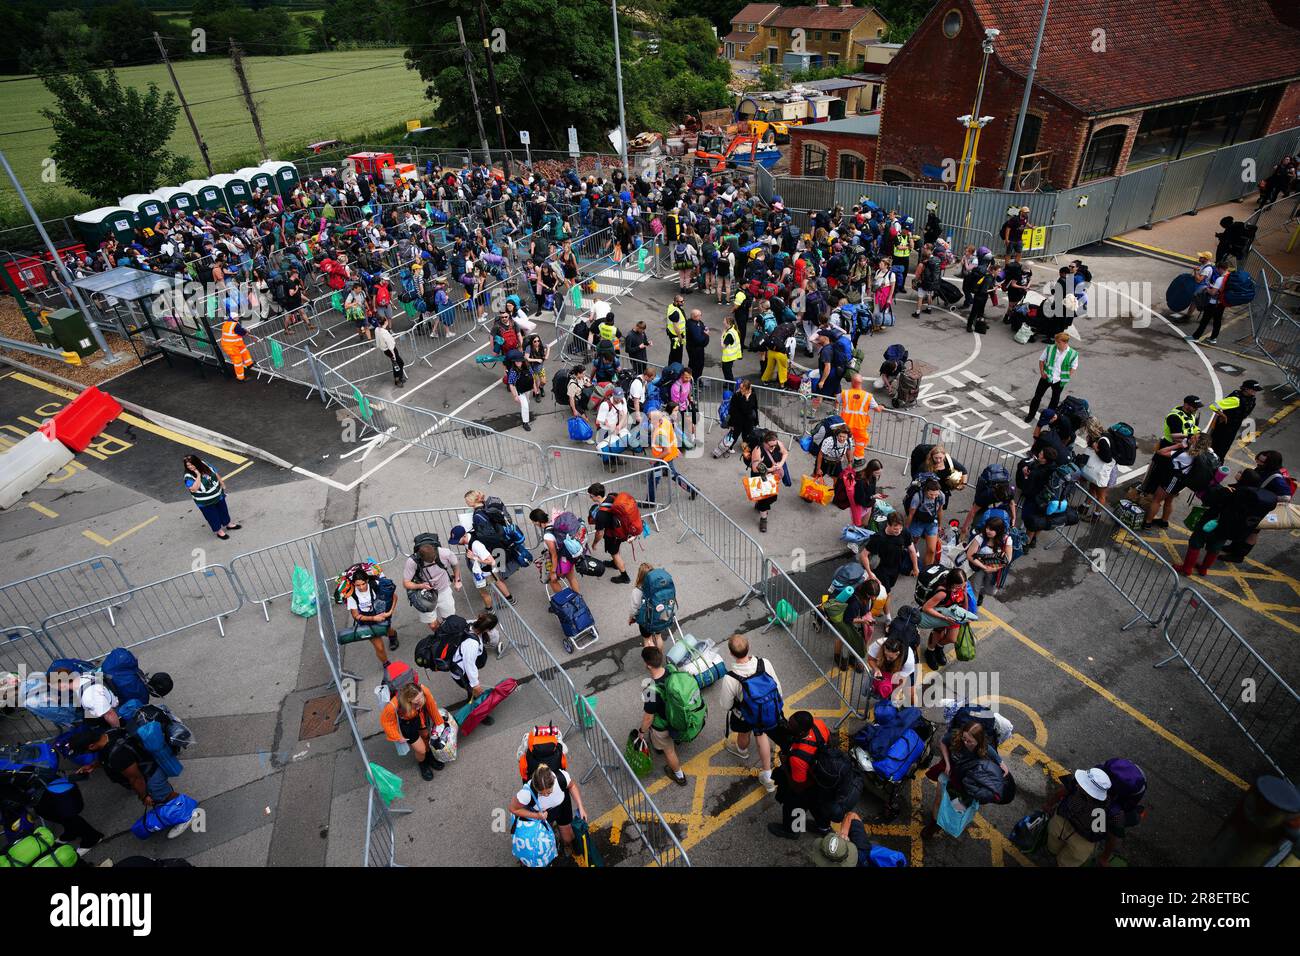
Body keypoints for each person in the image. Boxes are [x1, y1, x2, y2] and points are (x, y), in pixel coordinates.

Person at [921, 718, 1012, 839]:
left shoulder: (986, 749)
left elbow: (1003, 767)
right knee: (939, 799)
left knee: (958, 808)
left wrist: (1001, 774)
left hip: (963, 787)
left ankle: (949, 821)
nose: (965, 743)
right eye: (964, 739)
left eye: (970, 741)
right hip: (948, 775)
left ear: (979, 742)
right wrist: (947, 763)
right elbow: (943, 743)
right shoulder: (955, 736)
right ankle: (933, 825)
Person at [1176, 468, 1276, 575]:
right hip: (1229, 526)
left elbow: (1209, 500)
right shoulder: (1252, 496)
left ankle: (1187, 568)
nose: (1238, 472)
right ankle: (1203, 569)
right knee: (1215, 547)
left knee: (1196, 542)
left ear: (1243, 478)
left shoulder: (1230, 491)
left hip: (1213, 521)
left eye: (1241, 473)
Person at [719, 634, 783, 795]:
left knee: (744, 732)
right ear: (749, 648)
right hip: (768, 709)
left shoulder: (731, 677)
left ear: (731, 653)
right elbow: (778, 687)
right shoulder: (764, 663)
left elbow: (726, 705)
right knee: (761, 734)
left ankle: (742, 750)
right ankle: (767, 774)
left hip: (746, 715)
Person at [69, 724, 180, 812]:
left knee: (166, 796)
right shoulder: (110, 733)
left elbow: (136, 779)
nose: (87, 753)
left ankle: (188, 813)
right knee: (162, 796)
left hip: (151, 777)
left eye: (85, 751)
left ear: (91, 746)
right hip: (146, 767)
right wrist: (93, 765)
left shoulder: (118, 757)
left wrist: (144, 796)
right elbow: (105, 756)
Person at [768, 710, 832, 839]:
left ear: (801, 732)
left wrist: (785, 764)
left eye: (790, 726)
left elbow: (798, 787)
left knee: (794, 803)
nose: (787, 726)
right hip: (822, 778)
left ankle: (792, 831)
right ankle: (823, 827)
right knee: (817, 804)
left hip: (807, 782)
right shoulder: (818, 724)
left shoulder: (798, 758)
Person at [509, 764, 589, 862]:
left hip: (562, 807)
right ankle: (554, 842)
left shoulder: (561, 777)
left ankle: (562, 842)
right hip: (543, 815)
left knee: (568, 839)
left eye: (549, 792)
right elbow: (513, 809)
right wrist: (537, 816)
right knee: (546, 841)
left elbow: (572, 786)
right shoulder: (526, 793)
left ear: (554, 781)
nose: (546, 795)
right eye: (541, 793)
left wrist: (580, 807)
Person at [637, 645, 688, 787]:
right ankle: (677, 738)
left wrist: (642, 732)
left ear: (648, 665)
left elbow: (648, 718)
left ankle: (679, 775)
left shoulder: (651, 690)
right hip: (679, 716)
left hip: (664, 725)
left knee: (669, 751)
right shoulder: (672, 669)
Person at [1043, 766, 1113, 867]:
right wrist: (1049, 804)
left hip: (1083, 838)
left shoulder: (1104, 810)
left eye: (1083, 784)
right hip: (1063, 821)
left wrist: (1104, 857)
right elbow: (1062, 792)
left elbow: (1105, 834)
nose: (1078, 784)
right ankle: (1052, 852)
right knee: (1053, 842)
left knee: (1070, 859)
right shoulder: (1076, 785)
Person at [1143, 432, 1212, 531]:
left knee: (1156, 500)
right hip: (1181, 481)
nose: (1191, 436)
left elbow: (1161, 452)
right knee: (1168, 500)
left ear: (1197, 442)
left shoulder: (1186, 455)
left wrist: (1178, 445)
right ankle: (1164, 522)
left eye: (1194, 437)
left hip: (1172, 480)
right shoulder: (1203, 453)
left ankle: (1147, 523)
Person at [380, 682, 447, 782]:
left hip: (420, 717)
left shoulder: (423, 691)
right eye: (417, 701)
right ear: (408, 700)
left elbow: (431, 705)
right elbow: (386, 721)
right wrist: (397, 736)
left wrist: (439, 722)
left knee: (425, 736)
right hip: (407, 725)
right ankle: (422, 763)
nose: (421, 701)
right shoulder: (393, 705)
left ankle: (429, 757)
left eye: (421, 697)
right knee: (421, 750)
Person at [402, 534, 462, 633]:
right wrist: (421, 586)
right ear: (421, 557)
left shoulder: (445, 553)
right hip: (425, 596)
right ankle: (441, 636)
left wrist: (457, 580)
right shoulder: (412, 562)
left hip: (444, 591)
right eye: (429, 562)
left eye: (434, 558)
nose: (433, 561)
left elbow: (455, 565)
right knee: (433, 625)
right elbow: (406, 583)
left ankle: (449, 636)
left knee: (450, 619)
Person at [448, 524, 516, 610]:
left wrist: (474, 558)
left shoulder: (476, 545)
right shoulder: (468, 537)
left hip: (487, 570)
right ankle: (510, 599)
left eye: (458, 540)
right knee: (498, 581)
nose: (457, 543)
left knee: (485, 592)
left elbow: (492, 561)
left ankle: (490, 610)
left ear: (464, 535)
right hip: (485, 569)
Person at [918, 568, 969, 670]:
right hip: (942, 615)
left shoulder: (961, 588)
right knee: (938, 634)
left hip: (954, 615)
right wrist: (944, 618)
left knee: (952, 638)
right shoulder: (942, 593)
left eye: (964, 584)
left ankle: (939, 646)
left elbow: (963, 602)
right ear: (952, 583)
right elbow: (926, 608)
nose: (962, 587)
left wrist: (964, 592)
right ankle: (930, 651)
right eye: (960, 585)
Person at [1024, 332, 1079, 423]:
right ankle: (1031, 415)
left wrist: (1066, 376)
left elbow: (1074, 367)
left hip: (1059, 381)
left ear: (1065, 343)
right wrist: (1042, 372)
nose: (1056, 343)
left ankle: (1047, 417)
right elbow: (1041, 360)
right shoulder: (1050, 348)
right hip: (1046, 377)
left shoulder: (1073, 354)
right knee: (1037, 397)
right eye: (1056, 341)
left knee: (1054, 400)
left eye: (1058, 342)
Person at [183, 455, 241, 539]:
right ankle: (219, 531)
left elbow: (215, 473)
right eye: (188, 465)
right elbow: (194, 489)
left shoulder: (204, 464)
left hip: (217, 495)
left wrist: (222, 483)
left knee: (223, 510)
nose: (190, 467)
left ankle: (228, 524)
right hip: (205, 502)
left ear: (197, 462)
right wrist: (198, 475)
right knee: (212, 516)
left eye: (192, 464)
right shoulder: (188, 476)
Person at [345, 571, 398, 663]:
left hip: (381, 615)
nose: (361, 587)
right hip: (367, 621)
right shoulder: (351, 595)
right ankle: (386, 665)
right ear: (354, 584)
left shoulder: (376, 585)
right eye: (358, 585)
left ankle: (393, 636)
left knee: (387, 630)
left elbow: (394, 597)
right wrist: (374, 618)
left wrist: (390, 612)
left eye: (363, 584)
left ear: (367, 580)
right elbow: (356, 615)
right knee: (379, 647)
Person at [587, 482, 634, 584]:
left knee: (615, 553)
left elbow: (599, 533)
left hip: (613, 535)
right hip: (621, 531)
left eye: (591, 496)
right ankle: (614, 564)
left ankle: (624, 576)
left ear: (598, 496)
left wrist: (594, 543)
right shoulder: (612, 496)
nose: (590, 498)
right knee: (615, 549)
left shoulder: (601, 514)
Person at [647, 406, 695, 504]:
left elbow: (666, 451)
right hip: (668, 457)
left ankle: (650, 502)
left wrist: (655, 460)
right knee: (673, 475)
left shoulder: (660, 433)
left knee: (653, 478)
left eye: (650, 420)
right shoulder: (665, 421)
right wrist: (676, 449)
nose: (649, 422)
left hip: (663, 459)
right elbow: (672, 436)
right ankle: (692, 489)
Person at [862, 511, 920, 591]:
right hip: (882, 569)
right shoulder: (878, 538)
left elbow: (912, 550)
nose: (899, 532)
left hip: (897, 567)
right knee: (886, 592)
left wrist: (915, 567)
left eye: (900, 528)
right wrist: (870, 573)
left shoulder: (904, 532)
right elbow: (863, 555)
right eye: (895, 529)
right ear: (888, 524)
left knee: (890, 586)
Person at [1206, 380, 1261, 463]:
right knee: (1218, 446)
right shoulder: (1235, 400)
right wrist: (1223, 415)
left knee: (1225, 447)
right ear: (1245, 389)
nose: (1255, 391)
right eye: (1253, 389)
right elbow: (1214, 406)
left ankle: (1217, 461)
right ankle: (1212, 462)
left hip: (1234, 426)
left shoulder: (1251, 398)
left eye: (1256, 390)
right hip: (1225, 427)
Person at [529, 508, 580, 595]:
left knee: (552, 580)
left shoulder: (547, 536)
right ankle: (578, 598)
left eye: (533, 521)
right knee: (571, 578)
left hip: (560, 560)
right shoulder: (555, 522)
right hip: (569, 556)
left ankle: (566, 604)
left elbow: (554, 555)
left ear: (537, 521)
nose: (533, 523)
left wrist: (553, 572)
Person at [964, 516, 1012, 604]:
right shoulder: (980, 537)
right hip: (978, 566)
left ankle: (982, 593)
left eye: (992, 529)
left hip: (995, 569)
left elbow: (1008, 559)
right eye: (987, 527)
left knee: (991, 591)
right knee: (975, 588)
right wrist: (984, 566)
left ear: (999, 531)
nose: (987, 531)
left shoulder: (1006, 540)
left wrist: (993, 569)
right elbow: (970, 555)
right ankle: (972, 607)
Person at [748, 430, 787, 533]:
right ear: (764, 443)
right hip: (761, 476)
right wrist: (770, 470)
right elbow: (755, 468)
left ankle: (760, 505)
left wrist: (780, 464)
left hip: (772, 477)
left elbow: (785, 453)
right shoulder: (757, 450)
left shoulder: (777, 443)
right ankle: (763, 519)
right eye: (770, 446)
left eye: (774, 445)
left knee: (772, 497)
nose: (773, 448)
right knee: (764, 498)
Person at [904, 476, 945, 570]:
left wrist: (939, 525)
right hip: (918, 522)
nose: (933, 497)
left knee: (931, 550)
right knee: (911, 544)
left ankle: (926, 570)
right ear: (926, 491)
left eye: (936, 494)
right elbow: (911, 514)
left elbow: (940, 511)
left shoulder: (941, 496)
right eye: (931, 495)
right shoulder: (917, 497)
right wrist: (906, 529)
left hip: (931, 523)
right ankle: (911, 564)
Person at [866, 633, 916, 707]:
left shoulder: (909, 661)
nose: (887, 659)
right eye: (885, 654)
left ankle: (912, 709)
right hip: (887, 667)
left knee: (910, 694)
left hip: (905, 671)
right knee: (886, 688)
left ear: (898, 654)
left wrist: (895, 694)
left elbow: (902, 680)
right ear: (884, 648)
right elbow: (870, 659)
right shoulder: (878, 644)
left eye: (891, 657)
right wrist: (876, 669)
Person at [1187, 263, 1229, 345]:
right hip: (1222, 303)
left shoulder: (1220, 279)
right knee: (1217, 321)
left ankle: (1195, 337)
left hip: (1213, 303)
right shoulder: (1230, 277)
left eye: (1217, 269)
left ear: (1220, 268)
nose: (1217, 271)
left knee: (1204, 320)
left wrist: (1207, 288)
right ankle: (1213, 339)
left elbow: (1213, 292)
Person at [716, 377, 758, 459]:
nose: (740, 389)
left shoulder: (752, 395)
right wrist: (731, 423)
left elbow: (753, 408)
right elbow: (732, 410)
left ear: (748, 389)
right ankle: (729, 447)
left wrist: (747, 398)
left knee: (747, 434)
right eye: (740, 387)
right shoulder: (736, 395)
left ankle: (745, 447)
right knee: (734, 435)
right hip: (737, 420)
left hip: (748, 420)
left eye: (743, 388)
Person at [373, 314, 407, 387]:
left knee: (396, 364)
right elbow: (391, 346)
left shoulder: (377, 329)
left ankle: (398, 379)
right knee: (399, 364)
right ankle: (398, 380)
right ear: (385, 322)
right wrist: (393, 355)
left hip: (386, 350)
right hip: (391, 350)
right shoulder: (385, 333)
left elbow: (377, 341)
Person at [219, 315, 254, 381]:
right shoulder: (235, 325)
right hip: (231, 346)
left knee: (244, 351)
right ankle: (240, 378)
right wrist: (247, 331)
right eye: (237, 317)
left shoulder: (227, 323)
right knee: (238, 361)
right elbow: (242, 332)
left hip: (233, 344)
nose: (238, 318)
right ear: (234, 318)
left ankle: (249, 364)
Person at [685, 309, 710, 382]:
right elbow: (699, 339)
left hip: (697, 348)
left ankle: (695, 379)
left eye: (700, 315)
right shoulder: (692, 325)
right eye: (699, 315)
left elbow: (702, 326)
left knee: (697, 364)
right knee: (696, 365)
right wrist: (706, 335)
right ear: (694, 316)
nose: (700, 317)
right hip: (694, 349)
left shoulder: (697, 322)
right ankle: (694, 380)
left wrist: (705, 328)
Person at [719, 313, 742, 383]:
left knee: (727, 372)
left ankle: (730, 385)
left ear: (728, 323)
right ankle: (728, 383)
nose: (723, 322)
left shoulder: (730, 334)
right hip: (732, 355)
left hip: (729, 357)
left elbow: (723, 345)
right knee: (726, 370)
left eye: (724, 321)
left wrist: (721, 338)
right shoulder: (732, 329)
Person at [665, 294, 686, 367]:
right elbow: (676, 326)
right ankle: (676, 368)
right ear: (676, 302)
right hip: (676, 336)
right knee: (677, 354)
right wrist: (680, 337)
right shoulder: (676, 312)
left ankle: (671, 366)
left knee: (673, 352)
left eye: (683, 300)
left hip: (671, 333)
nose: (683, 302)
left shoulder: (671, 306)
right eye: (681, 301)